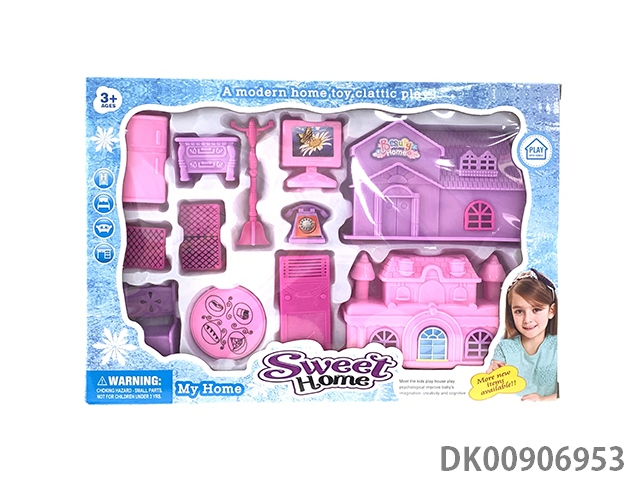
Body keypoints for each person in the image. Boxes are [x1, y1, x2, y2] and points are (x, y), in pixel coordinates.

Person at [487, 269, 558, 401]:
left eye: (536, 310)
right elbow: (495, 389)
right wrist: (491, 378)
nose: (527, 319)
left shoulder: (558, 347)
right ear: (511, 313)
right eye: (519, 311)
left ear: (551, 311)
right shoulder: (504, 348)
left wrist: (544, 400)